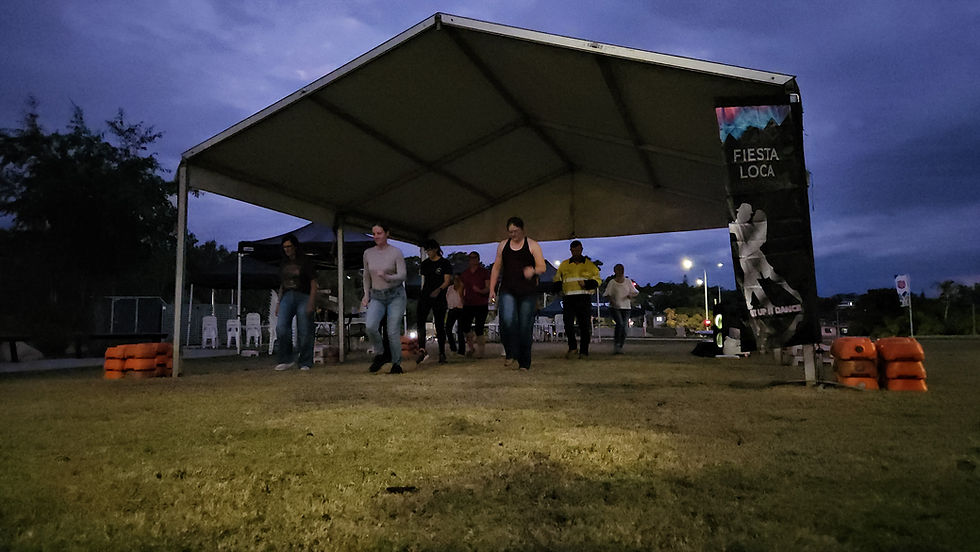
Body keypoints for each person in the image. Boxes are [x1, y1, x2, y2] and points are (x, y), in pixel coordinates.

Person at [489, 216, 546, 371]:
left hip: (527, 291)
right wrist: (492, 289)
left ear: (522, 230)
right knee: (507, 321)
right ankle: (510, 352)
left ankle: (524, 362)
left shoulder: (532, 245)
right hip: (508, 289)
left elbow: (542, 266)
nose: (513, 235)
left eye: (515, 231)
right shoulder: (503, 245)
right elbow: (496, 268)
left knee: (525, 327)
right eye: (510, 232)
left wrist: (533, 270)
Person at [362, 224, 407, 374]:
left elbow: (402, 275)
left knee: (392, 330)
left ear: (387, 234)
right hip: (377, 295)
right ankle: (381, 354)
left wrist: (387, 276)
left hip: (395, 294)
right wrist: (366, 294)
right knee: (370, 325)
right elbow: (366, 276)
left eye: (379, 233)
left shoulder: (396, 252)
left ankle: (396, 363)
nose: (376, 236)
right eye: (374, 233)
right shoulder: (368, 253)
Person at [274, 234, 317, 371]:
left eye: (289, 246)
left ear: (295, 247)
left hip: (303, 295)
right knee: (281, 327)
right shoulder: (283, 263)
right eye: (285, 247)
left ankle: (305, 361)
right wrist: (278, 303)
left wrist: (311, 301)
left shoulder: (305, 261)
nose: (287, 249)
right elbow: (282, 284)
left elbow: (314, 282)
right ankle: (286, 359)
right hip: (287, 295)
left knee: (304, 329)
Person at [554, 240, 601, 359]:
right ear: (570, 250)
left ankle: (584, 351)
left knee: (584, 325)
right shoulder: (564, 265)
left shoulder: (590, 265)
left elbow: (598, 281)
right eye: (573, 250)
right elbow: (557, 279)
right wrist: (557, 289)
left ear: (582, 250)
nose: (575, 253)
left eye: (578, 250)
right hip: (568, 298)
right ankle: (572, 348)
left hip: (583, 297)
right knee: (568, 324)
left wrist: (587, 283)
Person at [416, 239, 452, 364]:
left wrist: (439, 289)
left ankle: (441, 352)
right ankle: (422, 349)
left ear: (435, 249)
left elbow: (447, 280)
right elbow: (424, 280)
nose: (428, 252)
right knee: (420, 322)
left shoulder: (445, 263)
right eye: (426, 250)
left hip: (439, 296)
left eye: (429, 250)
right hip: (426, 295)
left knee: (440, 324)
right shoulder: (425, 264)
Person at [459, 251, 491, 358]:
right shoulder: (465, 274)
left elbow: (488, 287)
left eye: (475, 258)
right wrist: (461, 298)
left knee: (479, 328)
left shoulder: (484, 272)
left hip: (481, 303)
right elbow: (461, 287)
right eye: (471, 258)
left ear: (478, 259)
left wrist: (480, 291)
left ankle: (481, 352)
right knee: (465, 327)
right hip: (469, 303)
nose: (473, 260)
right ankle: (471, 348)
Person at [603, 263, 639, 354]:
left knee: (625, 327)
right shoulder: (612, 282)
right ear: (615, 271)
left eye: (621, 269)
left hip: (626, 307)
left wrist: (630, 296)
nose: (620, 271)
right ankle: (616, 345)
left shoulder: (628, 281)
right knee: (620, 324)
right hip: (615, 307)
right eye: (618, 270)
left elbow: (635, 292)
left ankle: (620, 345)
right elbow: (607, 294)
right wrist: (612, 300)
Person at [445, 274, 465, 356]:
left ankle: (461, 351)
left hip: (460, 309)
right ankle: (453, 348)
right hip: (452, 309)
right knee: (448, 329)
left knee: (460, 331)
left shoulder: (463, 288)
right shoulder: (450, 288)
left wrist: (460, 291)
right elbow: (447, 298)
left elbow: (464, 300)